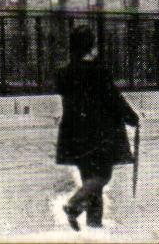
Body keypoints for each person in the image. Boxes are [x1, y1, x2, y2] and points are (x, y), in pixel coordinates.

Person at [56, 25, 138, 231]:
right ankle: (74, 205)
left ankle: (94, 225)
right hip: (100, 133)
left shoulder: (64, 73)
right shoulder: (99, 72)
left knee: (89, 178)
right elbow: (114, 99)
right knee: (102, 176)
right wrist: (132, 117)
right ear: (91, 46)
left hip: (74, 134)